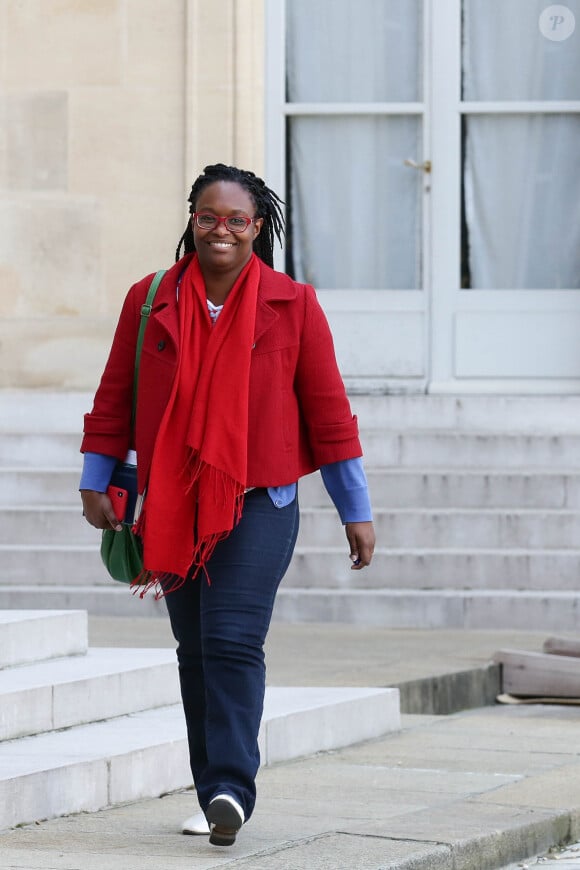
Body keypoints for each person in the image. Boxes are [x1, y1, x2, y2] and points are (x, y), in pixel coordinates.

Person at [80, 163, 375, 847]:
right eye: (208, 216)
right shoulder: (149, 299)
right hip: (172, 501)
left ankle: (230, 789)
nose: (221, 230)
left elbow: (329, 415)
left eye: (236, 220)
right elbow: (113, 396)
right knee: (195, 651)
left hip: (260, 500)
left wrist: (352, 509)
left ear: (258, 227)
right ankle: (211, 785)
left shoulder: (292, 304)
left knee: (233, 641)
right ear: (191, 219)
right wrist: (96, 479)